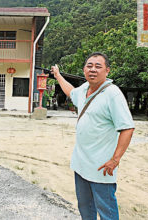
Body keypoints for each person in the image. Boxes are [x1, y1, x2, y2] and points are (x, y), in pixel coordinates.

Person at [51, 52, 135, 220]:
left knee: (107, 211)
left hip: (101, 167)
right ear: (84, 70)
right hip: (81, 163)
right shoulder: (84, 89)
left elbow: (127, 128)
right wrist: (58, 75)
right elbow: (71, 92)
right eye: (89, 66)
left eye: (98, 66)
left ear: (107, 71)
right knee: (85, 208)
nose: (93, 70)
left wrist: (115, 159)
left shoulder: (113, 94)